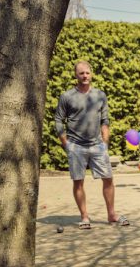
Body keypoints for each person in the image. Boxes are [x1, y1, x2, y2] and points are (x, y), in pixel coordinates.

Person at [54, 60, 128, 229]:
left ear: (91, 73)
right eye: (81, 73)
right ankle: (85, 217)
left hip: (97, 145)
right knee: (78, 181)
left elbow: (105, 120)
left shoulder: (100, 95)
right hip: (76, 146)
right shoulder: (67, 96)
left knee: (108, 179)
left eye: (87, 72)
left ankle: (111, 215)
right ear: (76, 75)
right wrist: (66, 144)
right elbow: (58, 120)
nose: (85, 76)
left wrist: (105, 142)